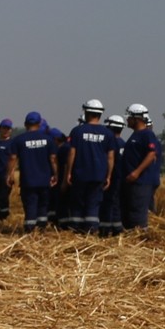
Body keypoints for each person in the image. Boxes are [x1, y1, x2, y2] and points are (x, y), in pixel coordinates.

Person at [62, 99, 115, 233]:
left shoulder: (77, 131)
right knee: (93, 203)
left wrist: (69, 172)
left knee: (77, 203)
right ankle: (91, 231)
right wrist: (108, 176)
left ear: (86, 113)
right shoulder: (108, 134)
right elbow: (110, 157)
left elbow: (72, 153)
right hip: (98, 175)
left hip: (80, 174)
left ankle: (75, 230)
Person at [9, 112, 56, 232]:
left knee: (30, 205)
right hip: (44, 180)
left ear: (25, 124)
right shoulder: (48, 140)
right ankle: (41, 230)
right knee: (43, 206)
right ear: (39, 124)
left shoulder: (19, 140)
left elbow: (13, 158)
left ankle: (30, 230)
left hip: (28, 180)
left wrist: (9, 174)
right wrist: (56, 174)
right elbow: (53, 159)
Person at [120, 104, 160, 230]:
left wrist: (136, 172)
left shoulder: (146, 134)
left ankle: (140, 237)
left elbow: (151, 153)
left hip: (141, 182)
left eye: (129, 117)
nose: (127, 120)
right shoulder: (135, 135)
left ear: (136, 119)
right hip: (133, 182)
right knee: (130, 213)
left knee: (138, 215)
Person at [99, 111, 127, 236]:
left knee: (108, 203)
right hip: (121, 178)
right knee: (116, 204)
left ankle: (105, 230)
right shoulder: (124, 144)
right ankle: (117, 229)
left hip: (112, 178)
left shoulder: (111, 144)